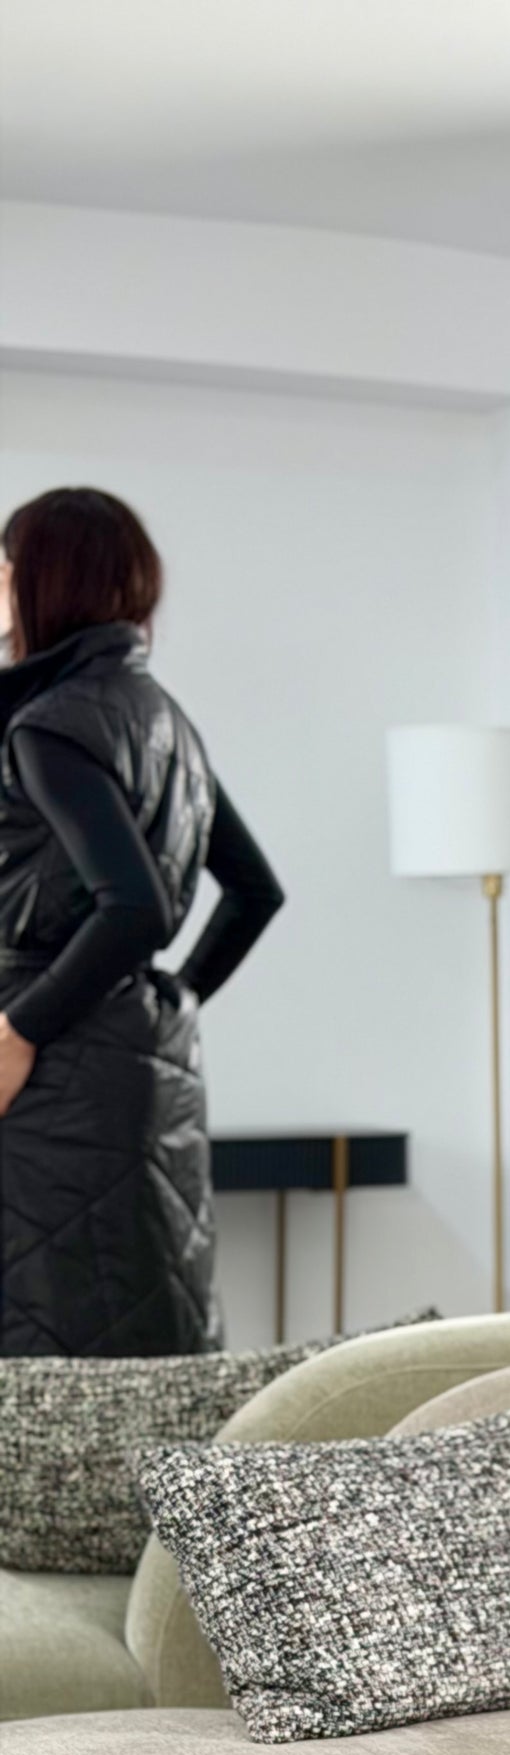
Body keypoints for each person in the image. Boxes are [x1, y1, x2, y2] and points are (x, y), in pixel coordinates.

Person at [0, 489, 284, 1354]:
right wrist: (172, 1001)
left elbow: (134, 906)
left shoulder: (47, 726)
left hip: (53, 1088)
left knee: (53, 1355)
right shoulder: (164, 720)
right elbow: (254, 891)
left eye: (6, 565)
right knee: (146, 1335)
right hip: (143, 1075)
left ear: (41, 579)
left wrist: (20, 1027)